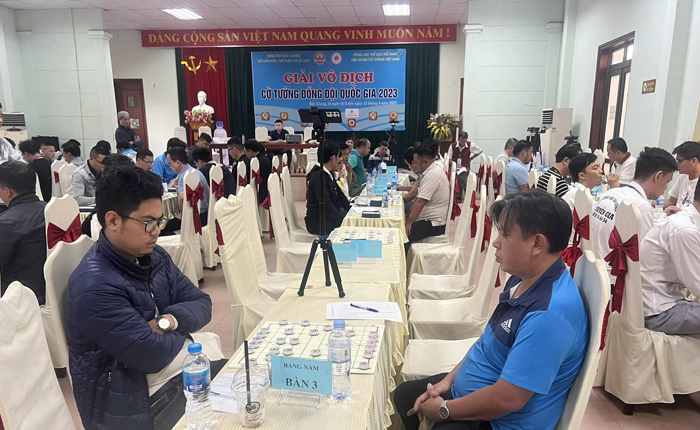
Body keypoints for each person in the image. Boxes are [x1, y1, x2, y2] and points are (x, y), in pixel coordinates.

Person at [396, 190, 586, 430]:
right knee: (405, 395)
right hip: (477, 393)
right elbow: (486, 341)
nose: (496, 242)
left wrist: (445, 410)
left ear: (537, 244)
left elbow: (508, 399)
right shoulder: (522, 279)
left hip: (501, 421)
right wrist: (448, 381)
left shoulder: (549, 316)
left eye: (505, 234)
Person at [65, 165, 223, 430]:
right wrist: (183, 331)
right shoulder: (94, 285)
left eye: (159, 221)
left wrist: (166, 322)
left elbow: (202, 304)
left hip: (166, 375)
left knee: (249, 381)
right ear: (113, 221)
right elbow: (151, 354)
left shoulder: (154, 256)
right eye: (148, 223)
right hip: (130, 404)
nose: (157, 231)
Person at [591, 147, 677, 279]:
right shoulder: (641, 207)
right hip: (614, 280)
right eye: (667, 182)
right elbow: (644, 260)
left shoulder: (610, 193)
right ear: (658, 176)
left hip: (593, 271)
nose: (665, 188)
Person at [641, 181, 700, 335]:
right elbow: (698, 286)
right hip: (658, 311)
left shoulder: (685, 220)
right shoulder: (684, 230)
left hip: (663, 300)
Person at [0, 161, 47, 305]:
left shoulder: (6, 223)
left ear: (7, 191)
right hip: (56, 289)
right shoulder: (52, 209)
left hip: (21, 300)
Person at [405, 143, 449, 248]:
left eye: (415, 162)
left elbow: (420, 202)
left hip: (434, 224)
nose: (414, 165)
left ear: (425, 162)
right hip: (427, 220)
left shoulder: (432, 175)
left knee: (402, 235)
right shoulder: (430, 171)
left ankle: (405, 258)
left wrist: (409, 223)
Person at [305, 141, 350, 235]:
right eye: (339, 156)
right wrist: (342, 220)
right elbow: (326, 204)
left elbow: (340, 196)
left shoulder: (328, 174)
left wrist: (351, 210)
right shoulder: (318, 176)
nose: (341, 159)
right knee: (350, 226)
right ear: (333, 158)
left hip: (329, 218)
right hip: (318, 222)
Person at [162, 147, 210, 235]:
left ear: (177, 163)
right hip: (206, 214)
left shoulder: (185, 176)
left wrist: (182, 215)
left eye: (170, 163)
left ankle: (179, 242)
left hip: (196, 217)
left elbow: (182, 197)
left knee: (162, 227)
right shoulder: (195, 171)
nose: (169, 166)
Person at [664, 141, 700, 214]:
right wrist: (648, 201)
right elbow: (671, 202)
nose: (677, 165)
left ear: (693, 161)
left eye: (679, 161)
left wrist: (681, 213)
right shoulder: (683, 178)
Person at [450, 132, 483, 202]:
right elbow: (449, 159)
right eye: (461, 141)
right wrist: (454, 164)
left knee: (462, 175)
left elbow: (479, 150)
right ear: (458, 139)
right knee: (458, 176)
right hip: (455, 166)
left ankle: (460, 195)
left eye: (464, 141)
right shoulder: (453, 146)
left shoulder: (470, 145)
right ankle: (464, 190)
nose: (462, 143)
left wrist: (472, 158)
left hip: (465, 166)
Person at [244, 140, 272, 205]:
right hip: (268, 190)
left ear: (250, 151)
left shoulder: (255, 162)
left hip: (261, 194)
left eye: (245, 152)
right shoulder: (266, 158)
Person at [400, 146, 420, 215]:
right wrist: (402, 188)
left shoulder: (424, 174)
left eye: (408, 165)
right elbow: (416, 188)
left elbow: (412, 195)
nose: (410, 167)